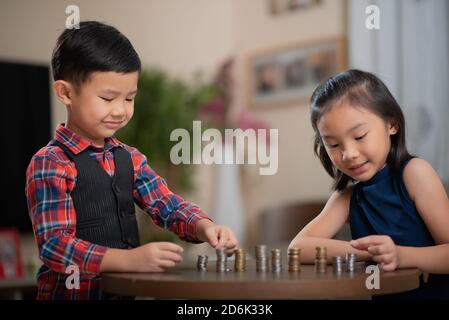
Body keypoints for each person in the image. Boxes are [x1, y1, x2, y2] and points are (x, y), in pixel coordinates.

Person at [25, 21, 238, 300]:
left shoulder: (131, 158)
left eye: (129, 98)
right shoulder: (50, 163)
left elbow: (167, 205)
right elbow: (55, 245)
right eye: (108, 97)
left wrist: (205, 226)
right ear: (66, 93)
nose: (120, 111)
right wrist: (127, 260)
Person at [289, 69, 449, 299]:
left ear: (391, 124)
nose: (348, 154)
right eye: (333, 144)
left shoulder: (415, 174)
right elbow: (298, 248)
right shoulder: (348, 197)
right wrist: (372, 253)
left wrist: (400, 255)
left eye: (360, 136)